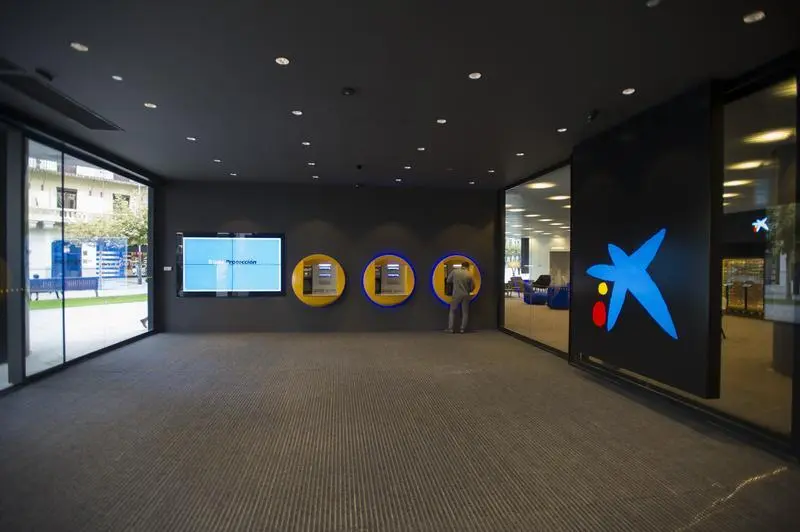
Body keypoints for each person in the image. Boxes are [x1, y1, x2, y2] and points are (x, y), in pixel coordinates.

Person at [445, 261, 475, 333]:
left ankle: (450, 328)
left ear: (461, 265)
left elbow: (448, 280)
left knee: (452, 311)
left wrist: (455, 282)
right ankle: (462, 329)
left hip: (456, 294)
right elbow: (472, 287)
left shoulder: (455, 271)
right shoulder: (469, 274)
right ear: (468, 266)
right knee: (465, 312)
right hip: (466, 295)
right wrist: (468, 289)